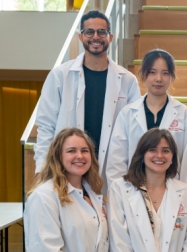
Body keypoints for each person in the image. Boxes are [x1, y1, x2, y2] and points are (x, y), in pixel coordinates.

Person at [34, 10, 140, 176]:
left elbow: (133, 131)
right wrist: (41, 167)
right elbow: (46, 126)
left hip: (111, 170)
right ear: (80, 37)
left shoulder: (128, 80)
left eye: (102, 32)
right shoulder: (60, 76)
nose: (96, 37)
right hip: (67, 169)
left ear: (110, 37)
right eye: (89, 32)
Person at [106, 49, 187, 189]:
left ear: (172, 77)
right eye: (152, 72)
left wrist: (184, 196)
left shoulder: (184, 115)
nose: (159, 78)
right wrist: (121, 195)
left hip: (172, 192)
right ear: (143, 75)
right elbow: (116, 162)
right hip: (133, 191)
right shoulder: (127, 114)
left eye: (165, 73)